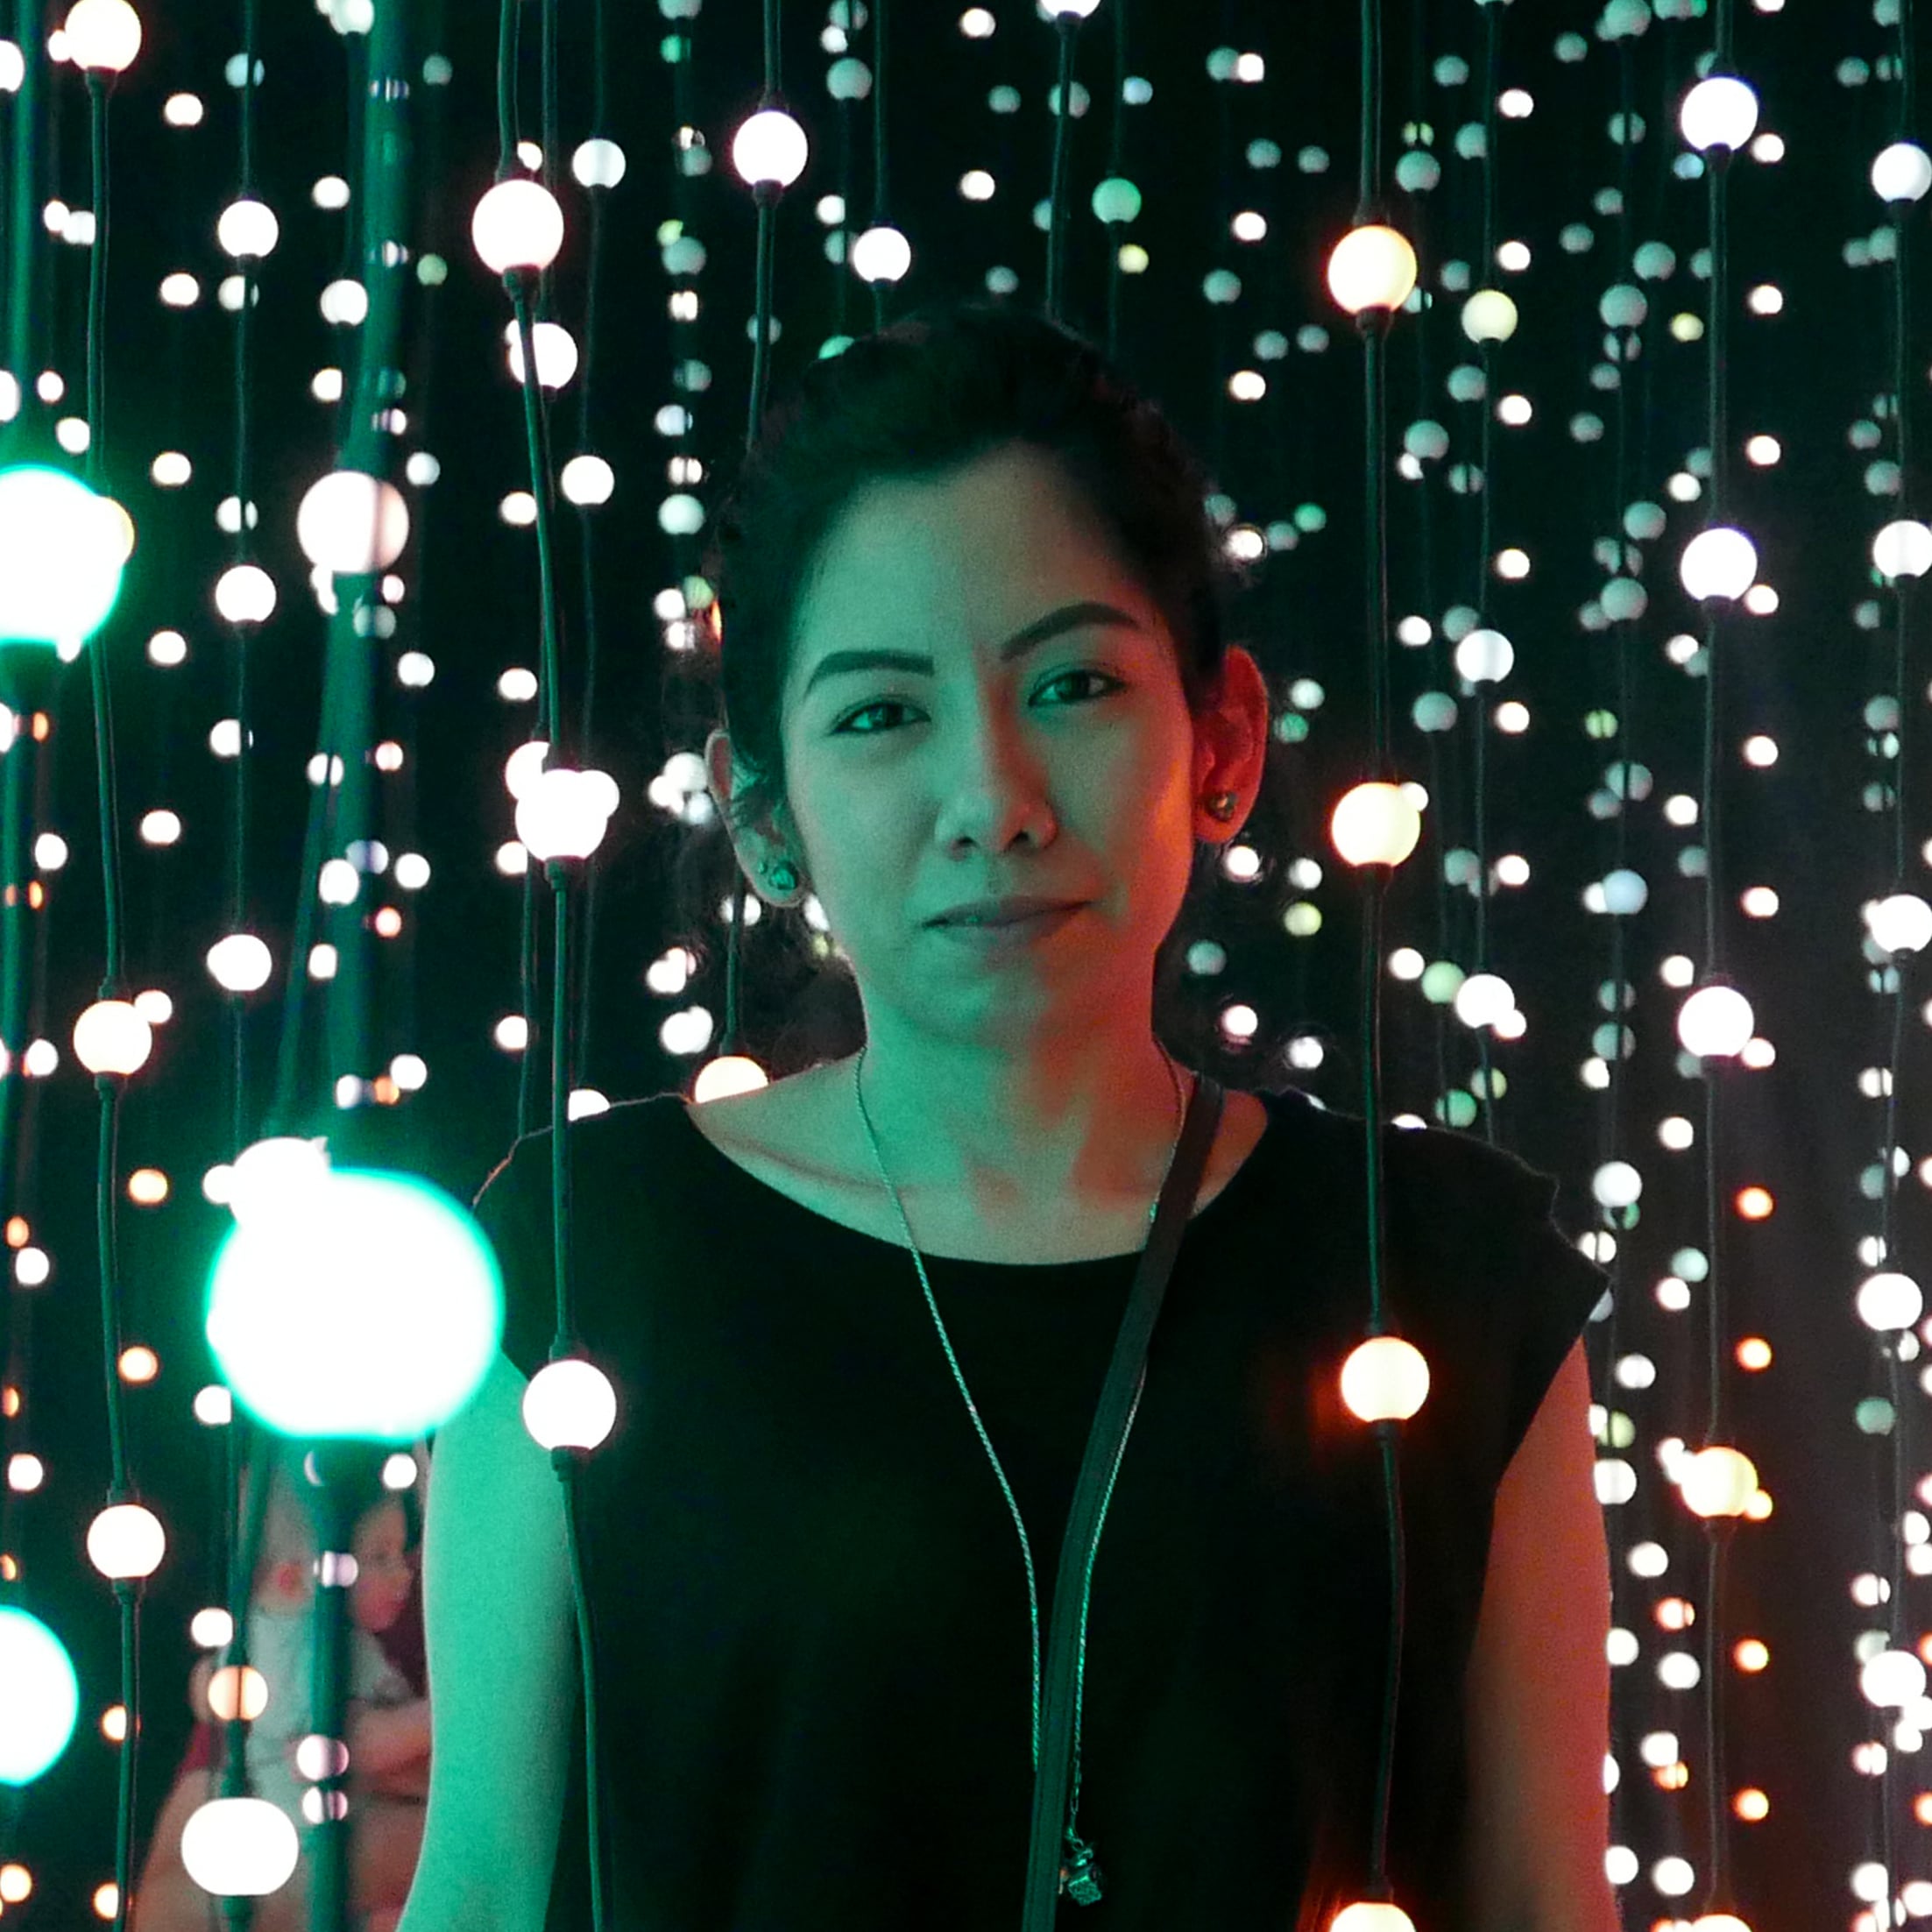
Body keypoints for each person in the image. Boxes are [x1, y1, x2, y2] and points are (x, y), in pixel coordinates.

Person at [398, 301, 1617, 1932]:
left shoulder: (1445, 1270)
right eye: (880, 713)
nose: (993, 800)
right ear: (765, 817)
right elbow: (481, 1884)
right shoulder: (584, 1252)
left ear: (1223, 741)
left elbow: (1545, 1898)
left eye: (1074, 684)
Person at [136, 1442, 432, 1932]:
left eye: (396, 1556)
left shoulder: (279, 1637)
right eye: (379, 1558)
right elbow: (352, 1744)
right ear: (294, 1580)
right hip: (304, 1837)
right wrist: (441, 1724)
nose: (399, 1573)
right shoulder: (321, 1646)